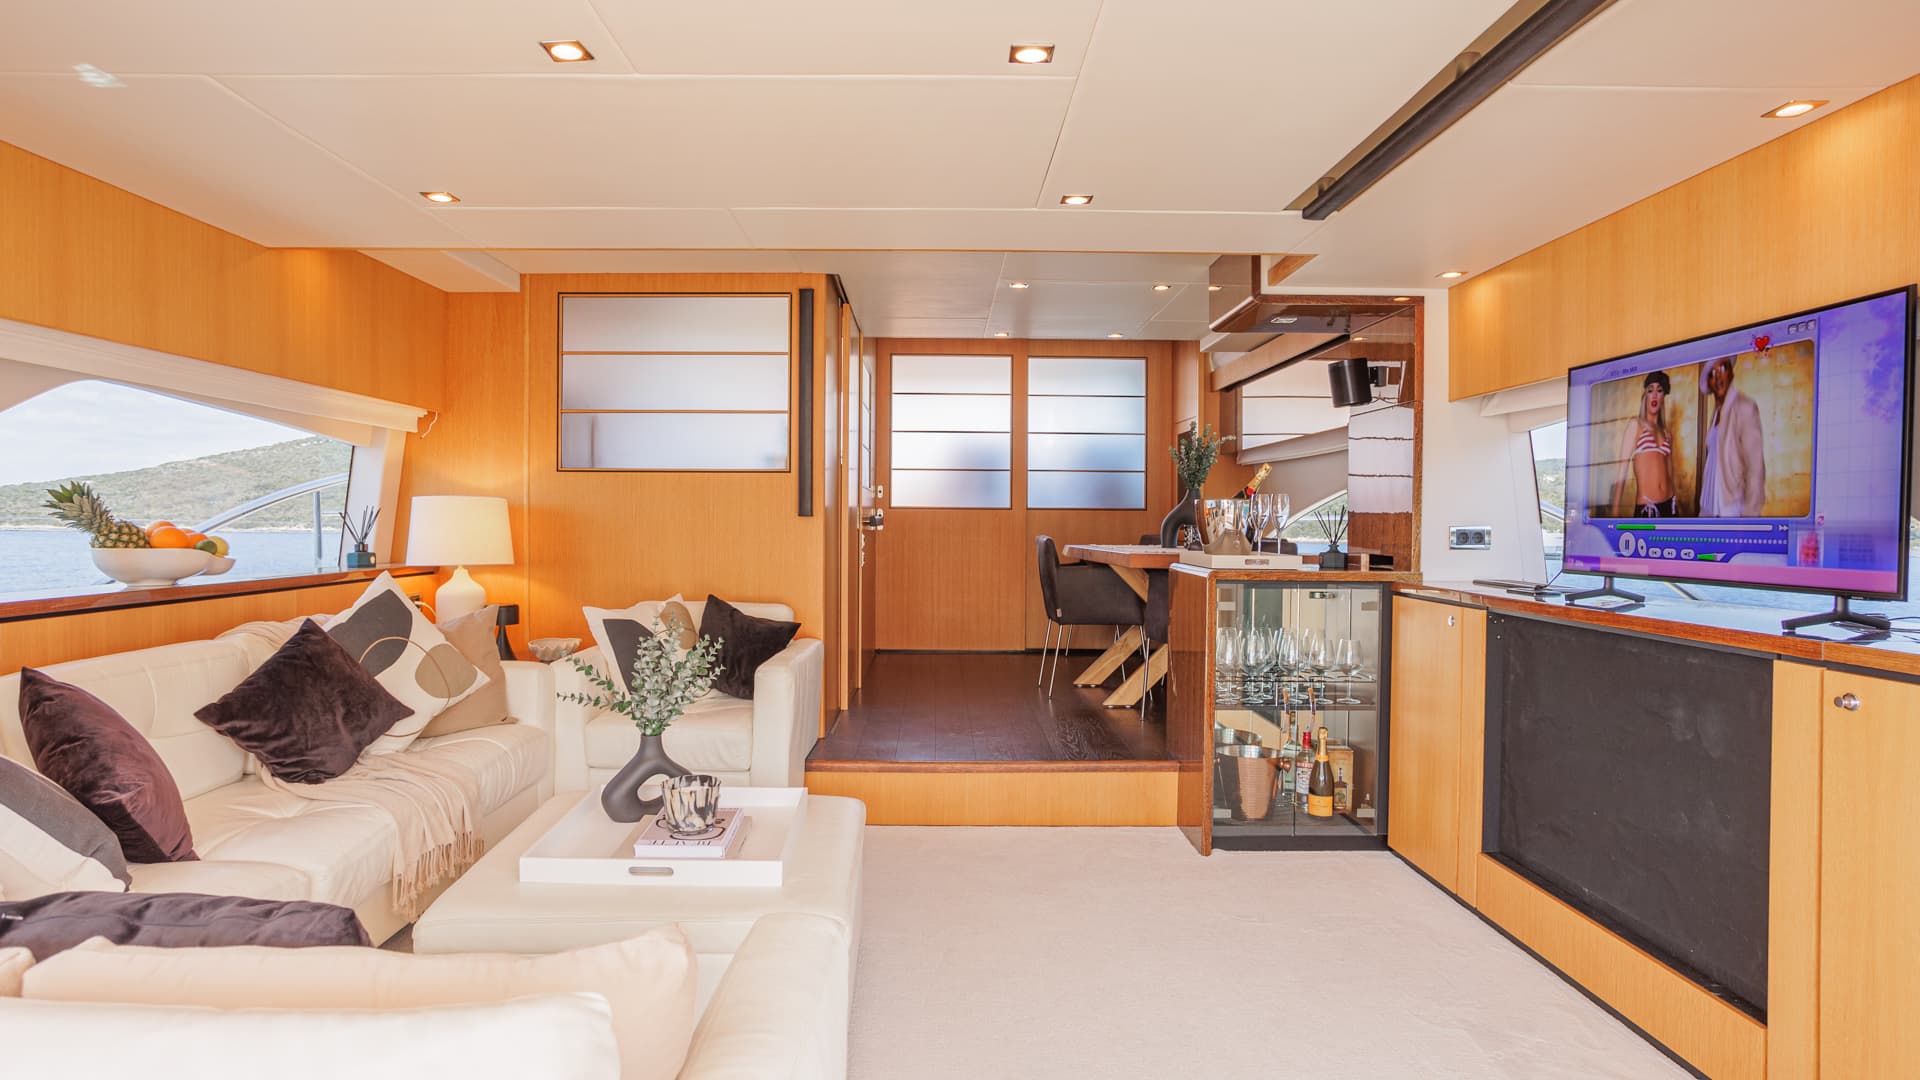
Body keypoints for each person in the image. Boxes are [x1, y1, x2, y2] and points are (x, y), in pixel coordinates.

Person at [1698, 356, 1767, 516]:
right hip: (1708, 506)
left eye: (1722, 368)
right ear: (1708, 383)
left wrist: (1750, 518)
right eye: (1712, 373)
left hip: (1731, 508)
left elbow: (1755, 468)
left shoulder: (1744, 407)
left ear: (1731, 373)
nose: (1718, 377)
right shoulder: (1716, 413)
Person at [1612, 371, 1678, 516]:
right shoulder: (1635, 425)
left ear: (1663, 397)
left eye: (1659, 390)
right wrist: (1614, 517)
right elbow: (1621, 472)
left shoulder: (1667, 433)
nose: (1654, 395)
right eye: (1650, 390)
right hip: (1648, 509)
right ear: (1645, 396)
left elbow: (1670, 474)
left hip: (1670, 505)